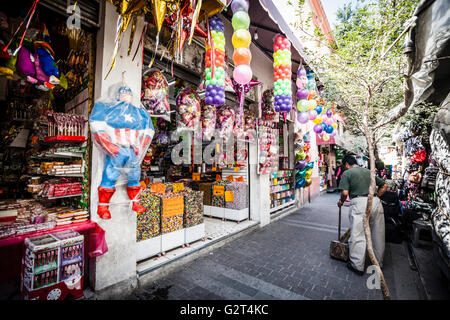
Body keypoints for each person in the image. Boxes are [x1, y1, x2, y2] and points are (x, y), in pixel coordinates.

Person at [337, 155, 388, 275]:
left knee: (358, 234)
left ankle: (357, 265)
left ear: (346, 165)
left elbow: (344, 192)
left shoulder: (348, 173)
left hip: (359, 203)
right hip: (375, 201)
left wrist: (341, 201)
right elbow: (385, 185)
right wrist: (376, 196)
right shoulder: (368, 171)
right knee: (378, 233)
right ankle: (378, 263)